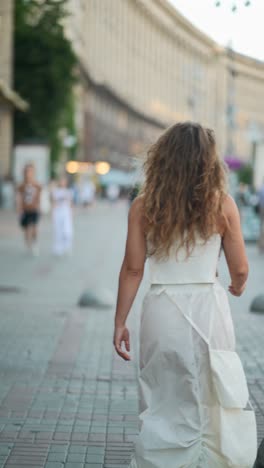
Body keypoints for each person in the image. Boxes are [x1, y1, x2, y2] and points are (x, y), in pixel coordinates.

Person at [113, 122, 257, 468]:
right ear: (208, 162)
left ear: (162, 159)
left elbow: (133, 269)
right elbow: (240, 269)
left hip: (162, 306)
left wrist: (120, 322)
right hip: (208, 307)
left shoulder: (143, 207)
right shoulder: (223, 206)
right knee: (213, 392)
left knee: (164, 393)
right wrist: (237, 286)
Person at [16, 164, 42, 255]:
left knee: (34, 227)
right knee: (26, 229)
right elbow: (19, 198)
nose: (29, 173)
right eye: (27, 171)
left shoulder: (37, 185)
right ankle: (28, 244)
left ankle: (35, 243)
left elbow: (39, 197)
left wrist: (39, 207)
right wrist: (19, 209)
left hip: (34, 209)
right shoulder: (21, 185)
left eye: (30, 171)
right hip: (25, 210)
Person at [51, 176, 73, 256]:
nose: (62, 183)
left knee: (67, 232)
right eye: (61, 181)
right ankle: (58, 248)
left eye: (64, 181)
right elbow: (53, 203)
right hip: (57, 213)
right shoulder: (55, 191)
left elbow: (70, 204)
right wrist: (52, 214)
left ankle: (67, 246)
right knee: (58, 231)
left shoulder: (68, 191)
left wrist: (71, 213)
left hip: (66, 213)